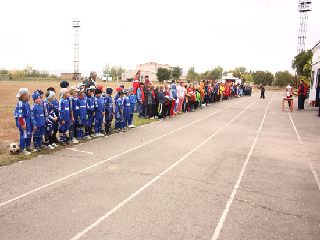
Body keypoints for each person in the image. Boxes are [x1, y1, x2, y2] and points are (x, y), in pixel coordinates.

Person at [14, 88, 33, 155]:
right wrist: (22, 124)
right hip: (23, 121)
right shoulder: (20, 103)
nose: (28, 95)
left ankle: (28, 146)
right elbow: (20, 115)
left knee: (28, 134)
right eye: (27, 94)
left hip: (27, 120)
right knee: (23, 135)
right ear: (24, 95)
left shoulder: (26, 103)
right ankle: (22, 149)